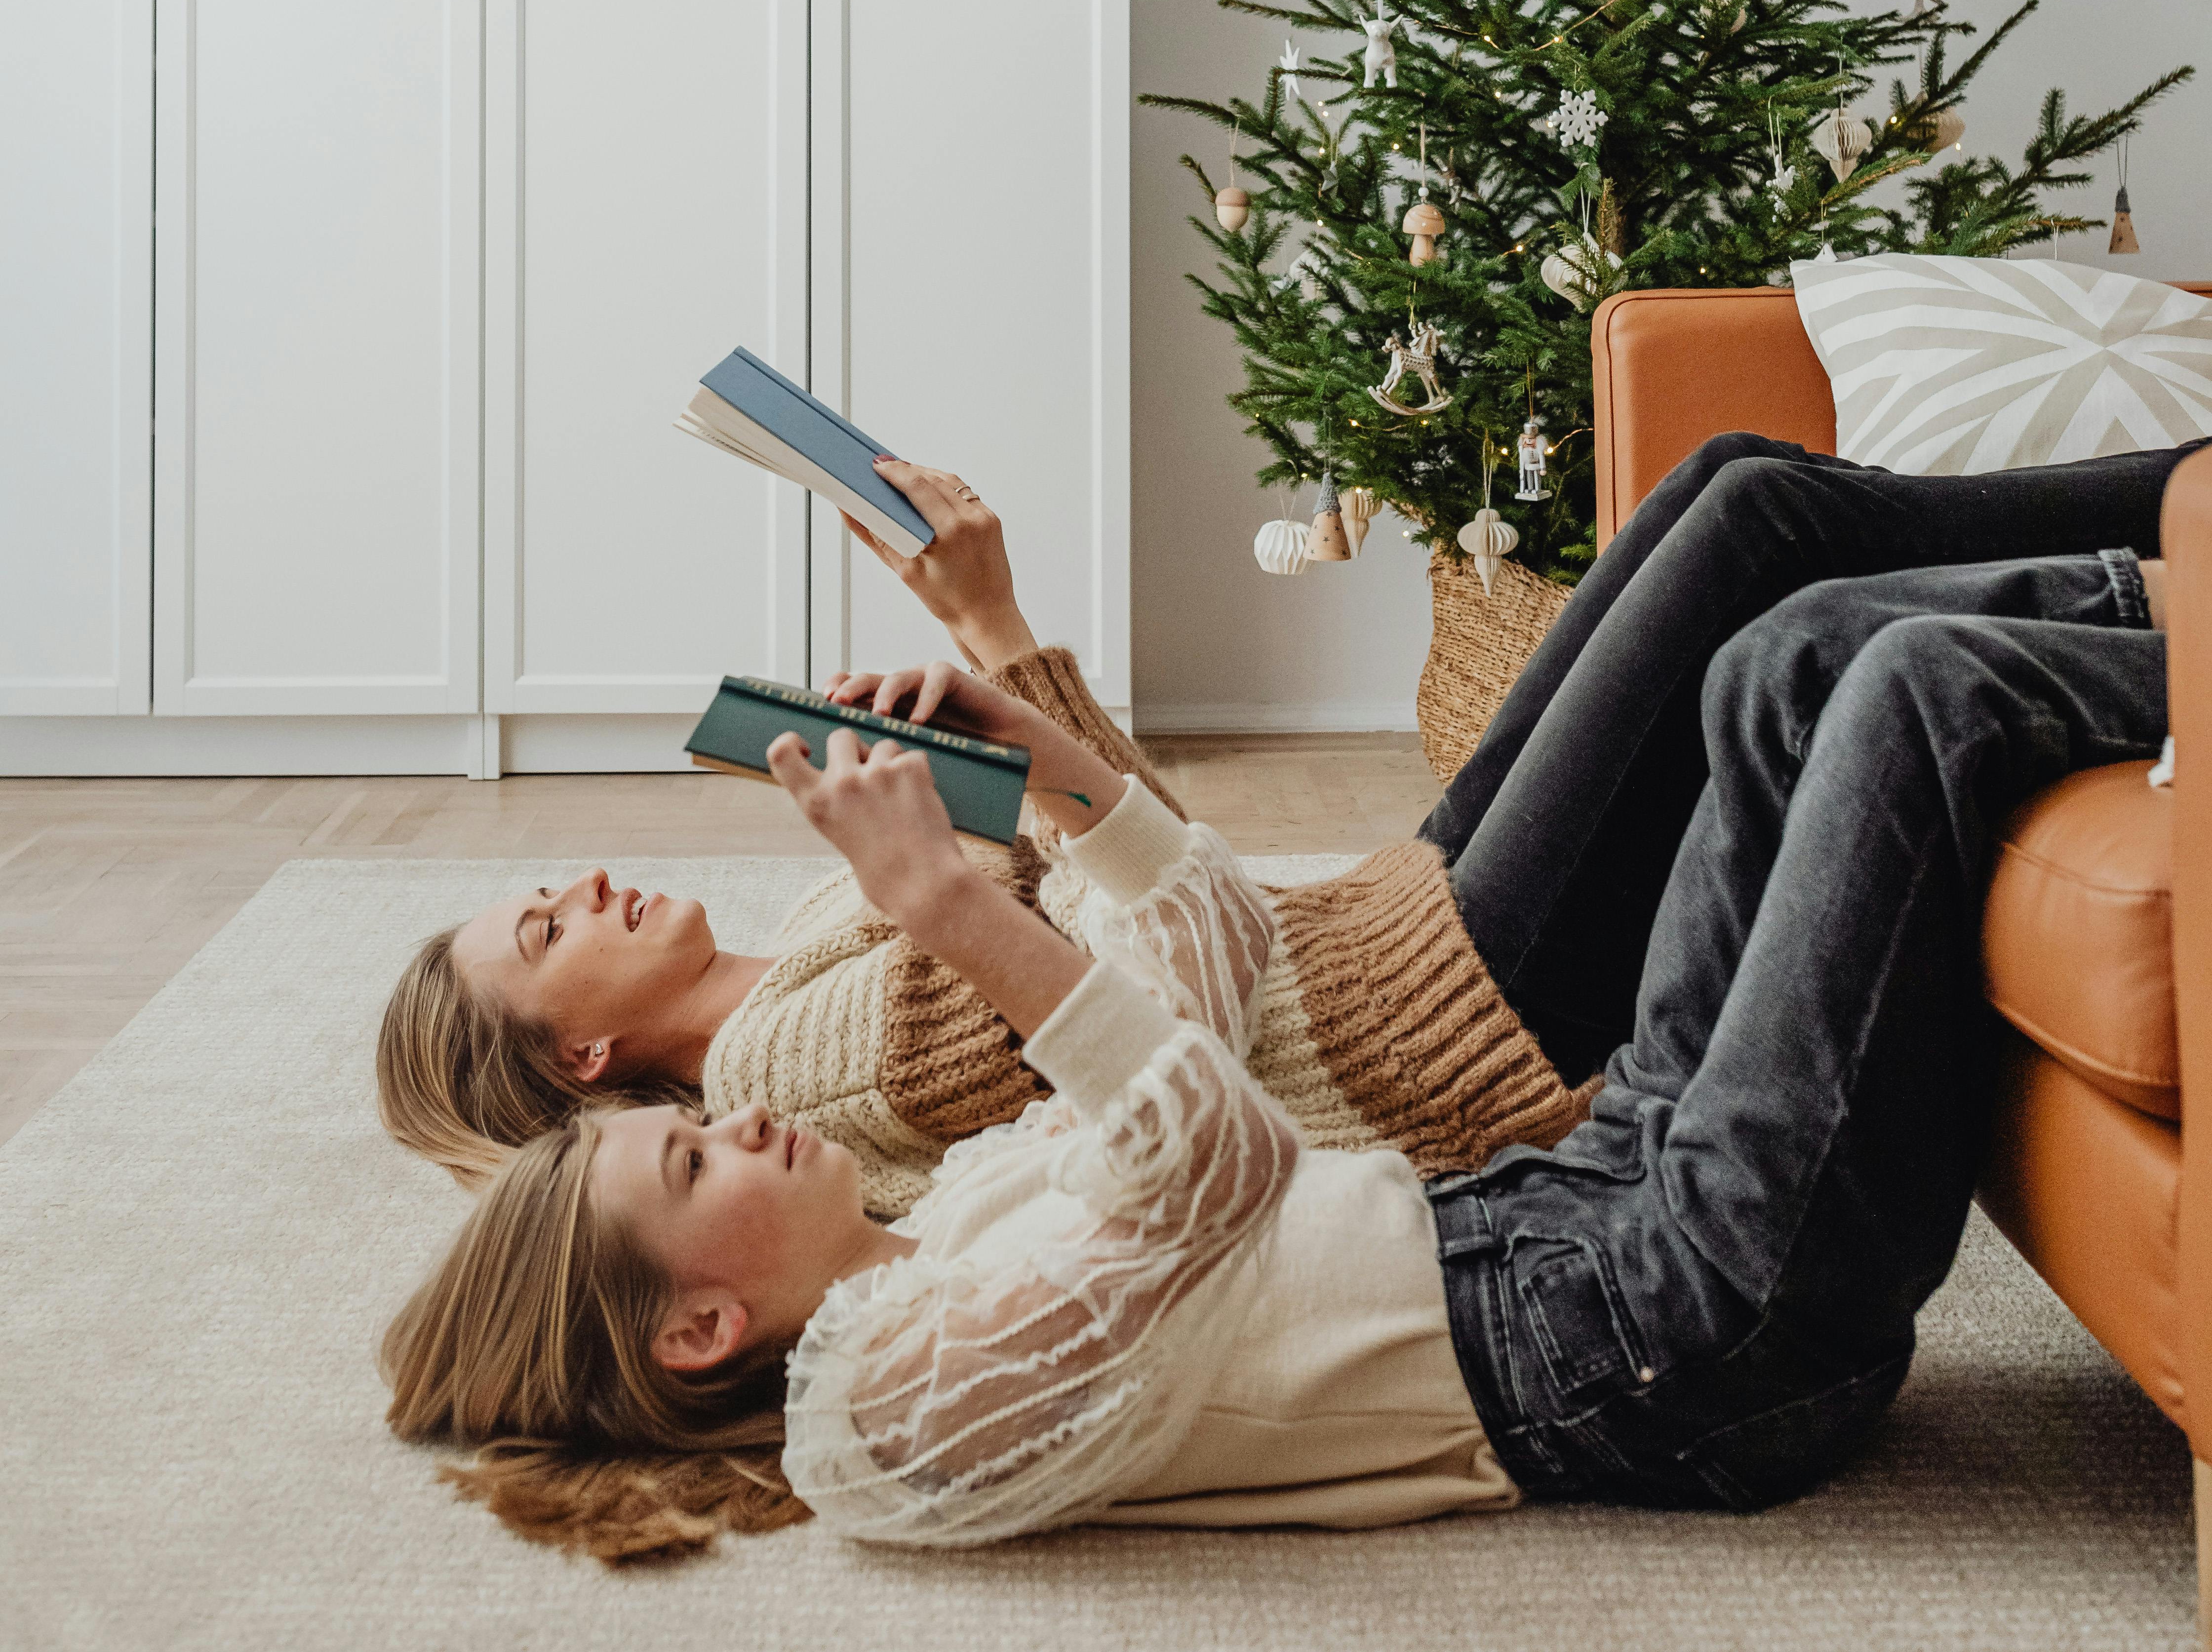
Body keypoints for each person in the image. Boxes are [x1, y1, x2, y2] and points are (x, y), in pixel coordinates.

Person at [383, 484, 2172, 1556]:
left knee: (1784, 671)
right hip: (1672, 1334)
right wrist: (948, 906)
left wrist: (1047, 762)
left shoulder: (927, 1246)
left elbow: (1211, 970)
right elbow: (1222, 1161)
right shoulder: (892, 1422)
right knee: (1910, 700)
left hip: (1596, 1210)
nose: (754, 1131)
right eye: (695, 1160)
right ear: (701, 1327)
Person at [377, 464, 1587, 1203]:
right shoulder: (788, 1071)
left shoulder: (810, 935)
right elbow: (1143, 987)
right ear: (581, 1057)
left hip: (1384, 935)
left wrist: (993, 697)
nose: (586, 883)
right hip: (1425, 1018)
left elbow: (1156, 864)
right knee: (1734, 513)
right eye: (546, 930)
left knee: (1719, 507)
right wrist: (995, 675)